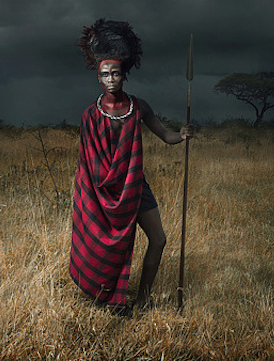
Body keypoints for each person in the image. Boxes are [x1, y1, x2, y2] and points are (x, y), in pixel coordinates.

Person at [69, 19, 192, 315]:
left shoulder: (140, 107)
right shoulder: (91, 115)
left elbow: (165, 135)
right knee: (105, 246)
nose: (111, 78)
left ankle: (143, 298)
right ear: (98, 78)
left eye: (115, 73)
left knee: (159, 240)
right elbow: (88, 164)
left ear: (124, 75)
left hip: (136, 188)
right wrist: (98, 193)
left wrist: (182, 135)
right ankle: (107, 298)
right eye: (105, 74)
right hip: (104, 194)